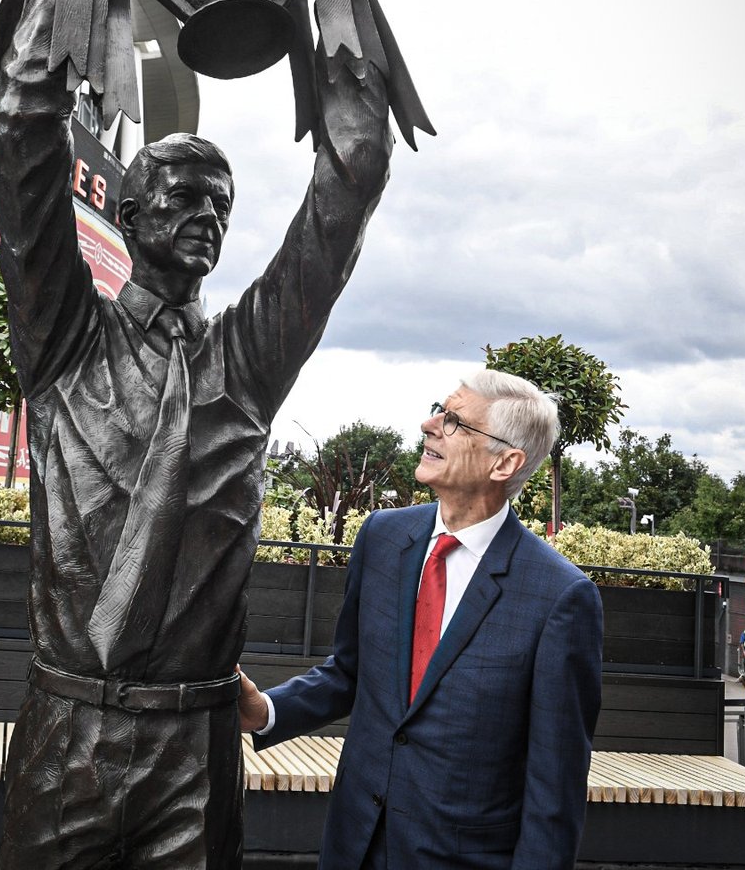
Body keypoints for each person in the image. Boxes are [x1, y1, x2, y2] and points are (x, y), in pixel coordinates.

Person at [0, 0, 393, 869]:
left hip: (198, 753)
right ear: (123, 213)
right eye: (179, 192)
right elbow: (23, 118)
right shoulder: (64, 339)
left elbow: (353, 171)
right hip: (66, 739)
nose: (207, 211)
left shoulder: (246, 364)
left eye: (223, 199)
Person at [240, 370, 603, 870]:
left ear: (506, 462)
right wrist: (265, 710)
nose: (429, 424)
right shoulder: (382, 538)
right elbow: (349, 672)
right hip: (352, 847)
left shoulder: (561, 598)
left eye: (455, 422)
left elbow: (555, 790)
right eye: (440, 408)